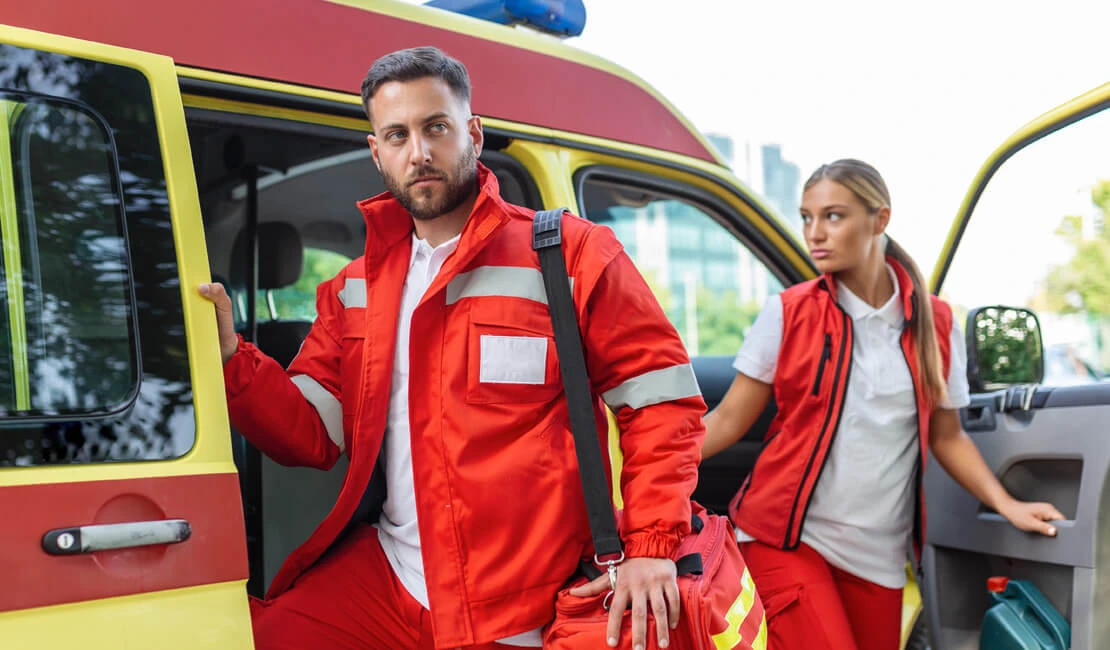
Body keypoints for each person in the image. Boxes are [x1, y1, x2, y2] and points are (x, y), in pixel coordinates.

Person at [197, 46, 706, 650]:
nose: (419, 152)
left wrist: (651, 546)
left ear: (473, 133)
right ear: (377, 152)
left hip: (520, 605)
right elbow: (310, 432)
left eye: (435, 127)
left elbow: (662, 403)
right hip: (389, 582)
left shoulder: (573, 255)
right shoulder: (354, 289)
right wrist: (230, 357)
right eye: (398, 134)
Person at [701, 159, 1064, 650]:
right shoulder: (787, 312)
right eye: (807, 217)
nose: (814, 233)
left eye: (833, 216)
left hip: (879, 556)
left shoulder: (936, 324)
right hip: (786, 539)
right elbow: (727, 420)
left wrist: (1007, 504)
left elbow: (947, 436)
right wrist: (640, 474)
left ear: (880, 219)